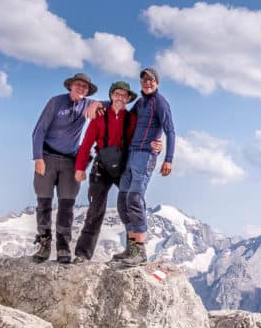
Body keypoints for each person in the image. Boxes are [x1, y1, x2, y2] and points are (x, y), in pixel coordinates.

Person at [70, 81, 161, 263]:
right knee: (95, 210)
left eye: (124, 95)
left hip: (124, 167)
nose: (120, 97)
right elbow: (87, 143)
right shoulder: (99, 117)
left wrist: (156, 144)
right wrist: (80, 168)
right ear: (111, 95)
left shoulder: (132, 119)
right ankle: (82, 254)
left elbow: (145, 135)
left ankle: (133, 251)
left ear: (128, 99)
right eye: (116, 94)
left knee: (130, 205)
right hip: (101, 168)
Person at [30, 72, 101, 264]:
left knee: (66, 206)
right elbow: (38, 131)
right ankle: (44, 243)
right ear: (70, 85)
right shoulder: (55, 102)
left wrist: (96, 104)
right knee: (44, 203)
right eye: (78, 85)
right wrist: (38, 157)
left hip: (71, 161)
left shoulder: (87, 103)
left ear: (88, 91)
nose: (81, 88)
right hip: (48, 157)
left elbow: (111, 103)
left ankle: (63, 245)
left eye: (85, 87)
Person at [112, 67, 175, 269]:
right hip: (131, 155)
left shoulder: (161, 102)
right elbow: (125, 117)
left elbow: (170, 130)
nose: (147, 83)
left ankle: (141, 251)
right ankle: (130, 249)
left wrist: (168, 158)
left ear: (157, 82)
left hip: (146, 156)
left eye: (151, 80)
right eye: (144, 80)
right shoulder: (140, 102)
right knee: (122, 200)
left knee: (135, 198)